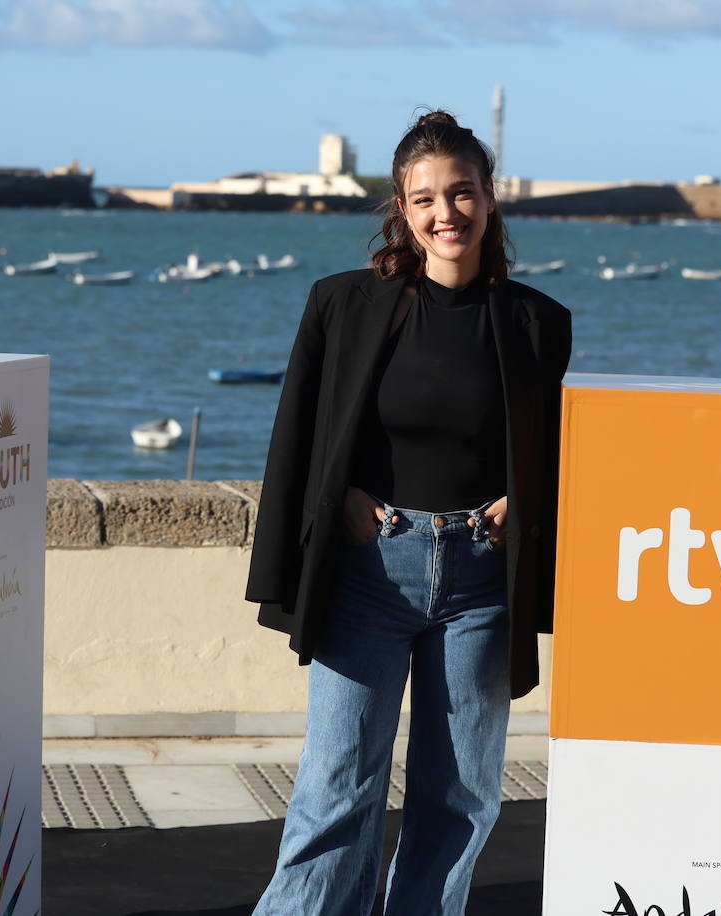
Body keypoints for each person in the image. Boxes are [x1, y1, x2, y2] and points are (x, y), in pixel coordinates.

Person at [245, 110, 572, 915]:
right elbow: (302, 436)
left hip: (482, 584)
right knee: (333, 794)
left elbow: (560, 454)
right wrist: (341, 498)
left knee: (460, 801)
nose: (446, 213)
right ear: (401, 206)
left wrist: (522, 502)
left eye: (462, 193)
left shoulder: (539, 324)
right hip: (369, 574)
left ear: (490, 200)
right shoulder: (342, 306)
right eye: (425, 198)